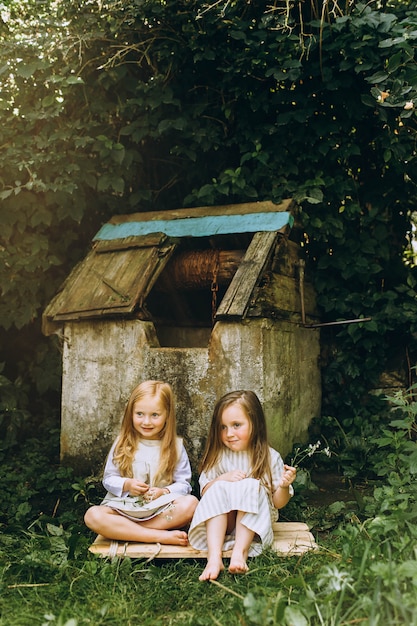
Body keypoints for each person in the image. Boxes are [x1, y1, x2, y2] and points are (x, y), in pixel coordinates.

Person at [188, 390, 297, 580]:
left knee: (249, 485)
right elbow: (206, 494)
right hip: (223, 523)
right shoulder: (217, 456)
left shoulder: (270, 457)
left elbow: (278, 503)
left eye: (236, 425)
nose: (229, 434)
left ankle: (240, 553)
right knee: (218, 486)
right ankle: (214, 558)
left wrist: (284, 486)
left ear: (255, 424)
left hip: (255, 524)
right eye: (223, 427)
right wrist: (222, 479)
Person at [84, 380, 198, 546]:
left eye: (155, 415)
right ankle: (155, 535)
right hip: (124, 508)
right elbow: (109, 478)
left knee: (191, 504)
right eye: (140, 414)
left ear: (167, 415)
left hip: (160, 509)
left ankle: (129, 531)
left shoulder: (175, 446)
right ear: (131, 413)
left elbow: (183, 484)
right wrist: (127, 484)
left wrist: (164, 491)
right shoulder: (122, 443)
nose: (146, 422)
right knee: (92, 515)